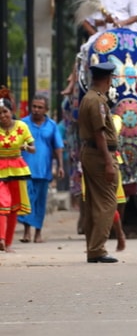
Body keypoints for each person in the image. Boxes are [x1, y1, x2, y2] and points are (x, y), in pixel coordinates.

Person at [78, 61, 120, 263]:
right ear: (108, 78)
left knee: (94, 203)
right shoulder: (97, 101)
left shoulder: (89, 98)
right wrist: (109, 162)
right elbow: (99, 133)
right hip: (100, 154)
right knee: (108, 203)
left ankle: (93, 248)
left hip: (91, 153)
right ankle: (97, 249)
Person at [19, 95, 64, 244]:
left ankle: (38, 232)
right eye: (34, 106)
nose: (36, 110)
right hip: (24, 169)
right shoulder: (23, 124)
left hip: (44, 170)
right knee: (27, 200)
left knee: (40, 202)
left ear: (46, 109)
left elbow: (58, 148)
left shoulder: (51, 125)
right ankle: (26, 232)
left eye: (40, 107)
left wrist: (60, 166)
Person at [0, 94, 34, 253]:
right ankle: (1, 238)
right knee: (2, 204)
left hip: (17, 169)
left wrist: (25, 147)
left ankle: (7, 243)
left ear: (11, 111)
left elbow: (33, 147)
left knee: (14, 207)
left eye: (5, 111)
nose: (2, 116)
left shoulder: (22, 126)